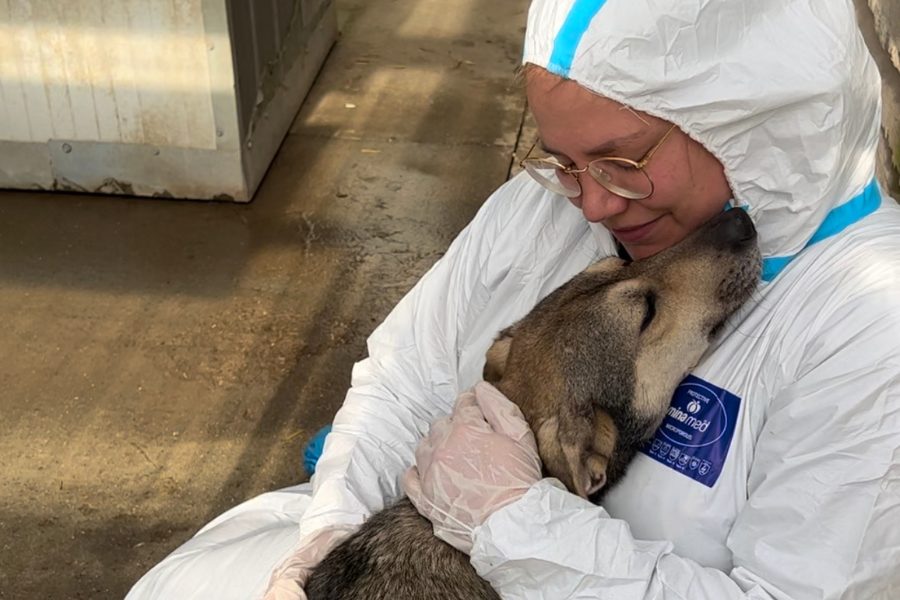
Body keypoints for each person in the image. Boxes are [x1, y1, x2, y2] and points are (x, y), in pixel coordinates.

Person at [127, 0, 900, 598]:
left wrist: (514, 524)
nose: (592, 204)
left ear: (748, 119)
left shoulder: (869, 323)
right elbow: (406, 380)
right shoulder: (548, 209)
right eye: (562, 160)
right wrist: (331, 540)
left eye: (623, 161)